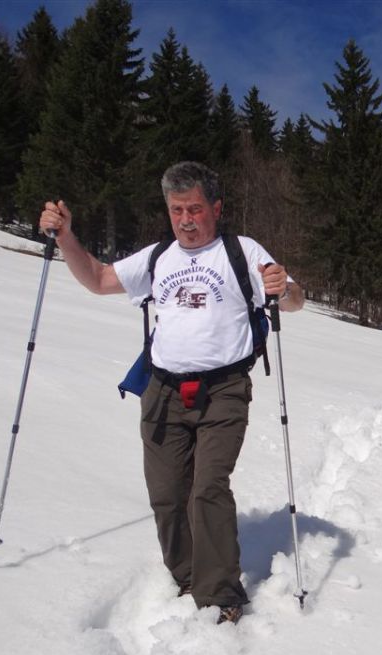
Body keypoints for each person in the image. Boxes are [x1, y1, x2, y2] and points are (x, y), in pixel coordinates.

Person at [38, 161, 304, 625]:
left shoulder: (241, 251)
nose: (185, 219)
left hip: (224, 390)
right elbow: (99, 279)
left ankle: (221, 594)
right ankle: (187, 576)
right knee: (166, 494)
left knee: (207, 489)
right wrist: (65, 237)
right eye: (177, 209)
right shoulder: (159, 257)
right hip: (161, 389)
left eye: (195, 209)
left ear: (215, 209)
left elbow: (291, 297)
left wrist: (287, 287)